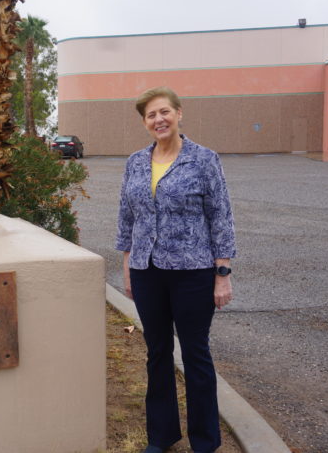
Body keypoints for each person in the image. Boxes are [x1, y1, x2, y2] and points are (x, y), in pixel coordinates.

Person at [115, 86, 236, 453]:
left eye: (164, 112)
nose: (158, 120)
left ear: (179, 114)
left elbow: (221, 217)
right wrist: (127, 265)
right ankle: (161, 435)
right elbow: (127, 216)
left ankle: (204, 441)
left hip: (193, 272)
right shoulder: (135, 162)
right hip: (147, 270)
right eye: (151, 115)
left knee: (196, 354)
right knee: (157, 352)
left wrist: (222, 273)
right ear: (145, 123)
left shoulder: (204, 160)